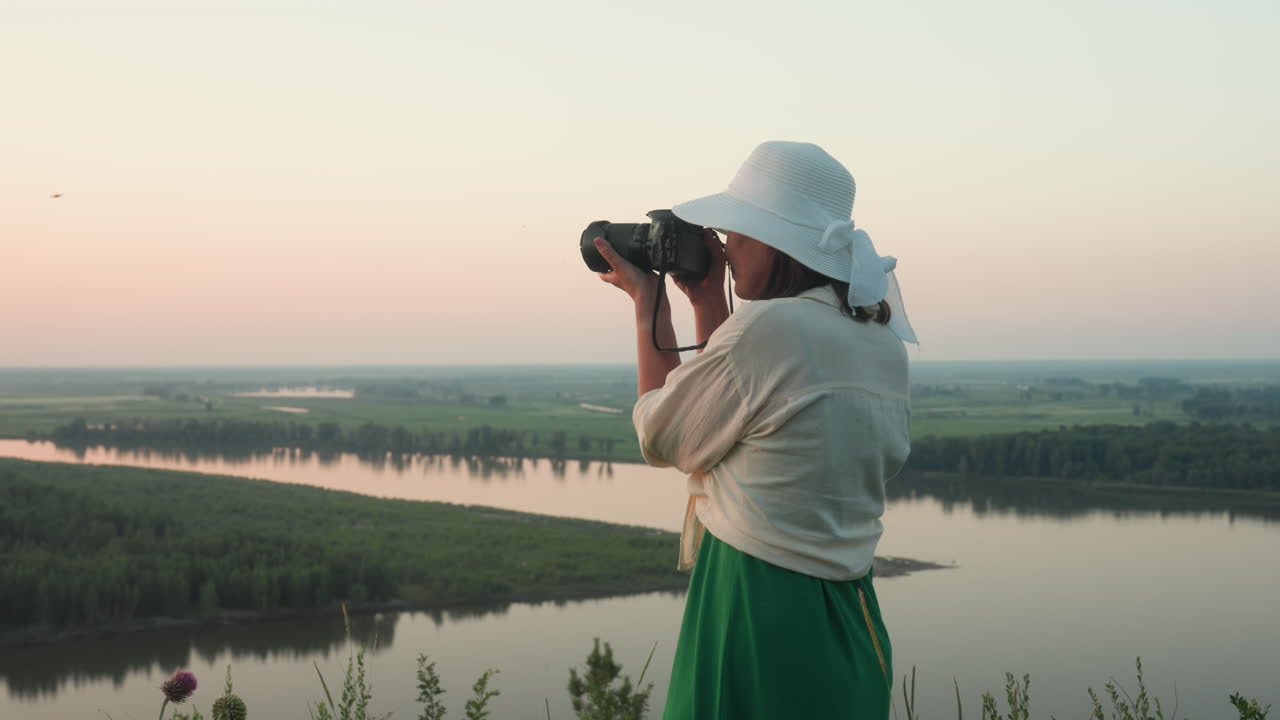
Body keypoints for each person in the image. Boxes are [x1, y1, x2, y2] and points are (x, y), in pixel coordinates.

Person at [592, 141, 918, 719]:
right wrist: (706, 302)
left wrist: (649, 309)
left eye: (740, 229)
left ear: (776, 241)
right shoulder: (881, 341)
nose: (727, 244)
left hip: (756, 611)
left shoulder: (771, 330)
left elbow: (663, 433)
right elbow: (751, 419)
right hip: (851, 623)